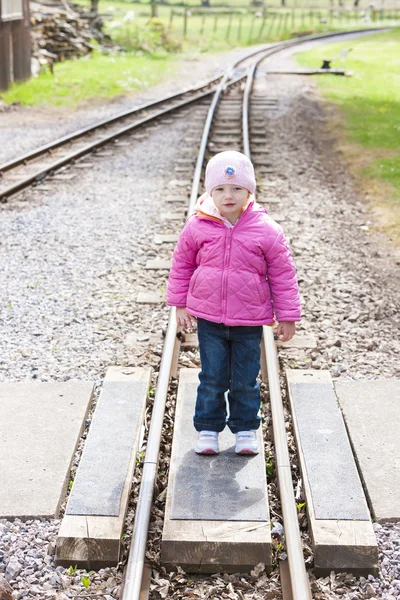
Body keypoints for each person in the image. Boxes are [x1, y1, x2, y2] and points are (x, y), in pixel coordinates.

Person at [167, 151, 301, 456]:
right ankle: (208, 429)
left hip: (249, 322)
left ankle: (245, 429)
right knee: (212, 377)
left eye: (236, 188)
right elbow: (181, 265)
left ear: (249, 191)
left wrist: (288, 315)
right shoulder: (197, 226)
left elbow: (283, 275)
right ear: (210, 191)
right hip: (210, 320)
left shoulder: (266, 229)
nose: (228, 196)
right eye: (221, 189)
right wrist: (180, 304)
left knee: (245, 378)